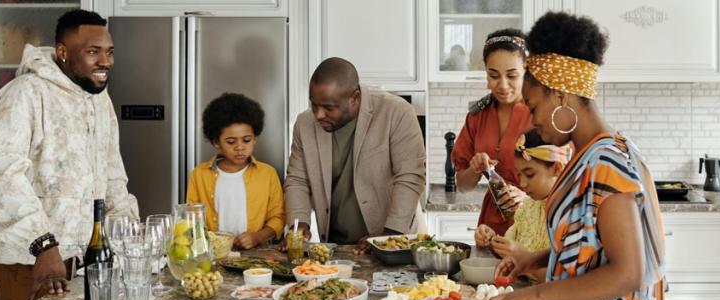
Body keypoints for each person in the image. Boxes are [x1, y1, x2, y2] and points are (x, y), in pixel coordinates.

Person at [488, 12, 666, 300]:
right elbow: (589, 248)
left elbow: (628, 272)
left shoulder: (607, 164)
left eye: (534, 106)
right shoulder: (593, 155)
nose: (531, 119)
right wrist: (535, 260)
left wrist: (538, 296)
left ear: (561, 95)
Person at [0, 10, 138, 300]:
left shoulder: (98, 99)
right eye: (94, 52)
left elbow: (111, 171)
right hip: (29, 258)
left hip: (84, 254)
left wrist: (128, 233)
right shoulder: (23, 95)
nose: (106, 62)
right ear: (63, 52)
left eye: (110, 52)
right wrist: (44, 246)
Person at [283, 57, 425, 253]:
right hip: (337, 246)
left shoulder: (397, 112)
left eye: (328, 108)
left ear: (355, 98)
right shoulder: (304, 124)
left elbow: (410, 176)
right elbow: (297, 179)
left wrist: (389, 235)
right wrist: (299, 226)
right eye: (314, 105)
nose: (318, 115)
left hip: (397, 242)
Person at [451, 29, 534, 237]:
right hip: (491, 229)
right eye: (494, 75)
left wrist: (527, 198)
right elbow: (462, 185)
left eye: (512, 76)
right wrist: (474, 169)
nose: (503, 85)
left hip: (534, 225)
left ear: (527, 71)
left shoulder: (540, 114)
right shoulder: (477, 116)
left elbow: (564, 181)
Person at [186, 93, 285, 249]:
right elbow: (190, 219)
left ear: (255, 139)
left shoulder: (267, 174)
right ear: (216, 142)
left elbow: (278, 217)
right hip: (213, 255)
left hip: (257, 255)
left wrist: (257, 237)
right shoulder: (199, 174)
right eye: (231, 142)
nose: (240, 147)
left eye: (246, 140)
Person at [475, 129, 571, 283]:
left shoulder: (570, 212)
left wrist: (524, 258)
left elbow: (569, 283)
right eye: (519, 174)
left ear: (557, 169)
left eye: (530, 174)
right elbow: (511, 251)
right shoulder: (527, 206)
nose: (522, 183)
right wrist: (492, 238)